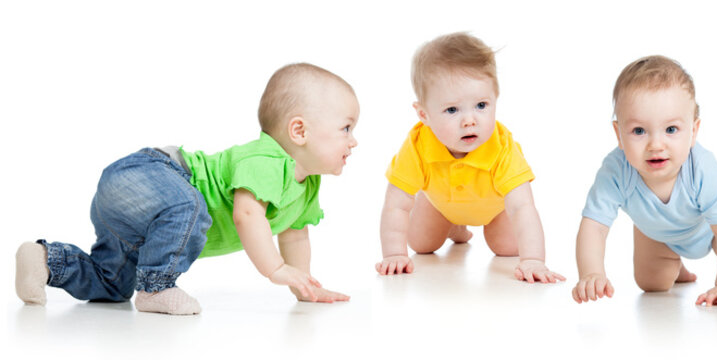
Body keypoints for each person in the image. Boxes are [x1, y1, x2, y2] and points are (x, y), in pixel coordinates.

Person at [14, 63, 357, 315]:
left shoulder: (308, 186)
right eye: (346, 128)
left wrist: (304, 285)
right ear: (299, 131)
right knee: (193, 207)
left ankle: (45, 261)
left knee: (113, 284)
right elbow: (247, 214)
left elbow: (295, 236)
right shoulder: (268, 158)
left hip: (144, 223)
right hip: (150, 176)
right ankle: (156, 289)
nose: (354, 141)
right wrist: (275, 270)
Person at [572, 55, 717, 306]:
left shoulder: (701, 169)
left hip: (716, 227)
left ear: (693, 131)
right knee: (651, 285)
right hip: (656, 231)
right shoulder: (615, 171)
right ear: (619, 134)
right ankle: (675, 263)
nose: (656, 145)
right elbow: (594, 226)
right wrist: (592, 274)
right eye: (638, 131)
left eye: (670, 130)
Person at [375, 32, 563, 283]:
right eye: (452, 109)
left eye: (482, 105)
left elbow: (522, 207)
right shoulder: (418, 144)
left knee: (506, 247)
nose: (469, 120)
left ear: (495, 99)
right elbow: (397, 204)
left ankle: (461, 227)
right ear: (424, 114)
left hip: (496, 210)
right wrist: (394, 254)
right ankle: (452, 225)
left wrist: (533, 261)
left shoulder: (502, 148)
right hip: (439, 204)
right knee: (420, 243)